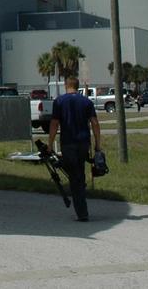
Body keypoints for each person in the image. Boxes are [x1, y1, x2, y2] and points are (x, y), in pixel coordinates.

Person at [47, 75, 103, 222]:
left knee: (74, 176)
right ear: (77, 86)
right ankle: (81, 201)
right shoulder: (86, 102)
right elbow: (95, 124)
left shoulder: (59, 101)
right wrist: (98, 144)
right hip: (83, 143)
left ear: (66, 85)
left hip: (68, 143)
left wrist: (49, 144)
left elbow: (54, 124)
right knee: (79, 172)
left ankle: (82, 212)